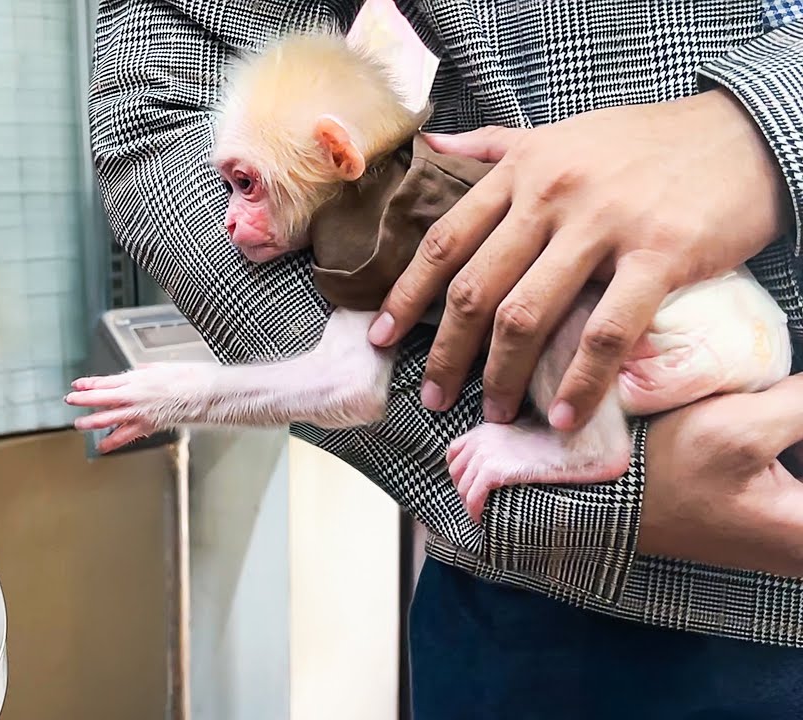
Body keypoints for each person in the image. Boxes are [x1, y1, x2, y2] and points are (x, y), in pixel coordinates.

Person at [87, 0, 803, 717]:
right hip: (563, 588)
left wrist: (764, 123)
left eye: (245, 186)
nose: (232, 220)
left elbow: (344, 387)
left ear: (337, 154)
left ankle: (586, 449)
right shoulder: (379, 206)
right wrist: (615, 504)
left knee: (553, 282)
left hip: (694, 407)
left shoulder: (381, 222)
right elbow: (161, 82)